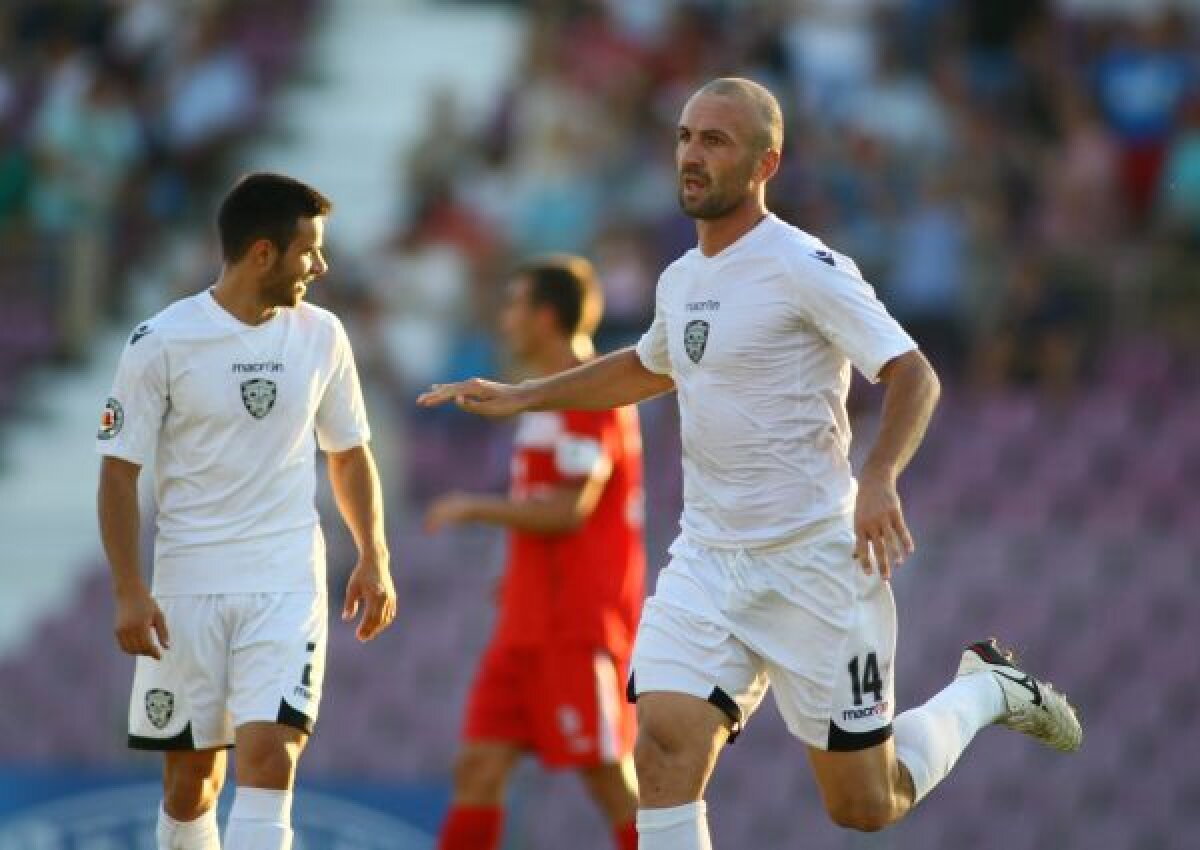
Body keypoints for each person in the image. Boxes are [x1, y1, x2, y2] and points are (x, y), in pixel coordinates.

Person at [419, 78, 1081, 849]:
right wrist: (524, 395)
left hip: (813, 560)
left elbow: (913, 374)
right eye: (684, 137)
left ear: (766, 164)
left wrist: (878, 477)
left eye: (715, 141)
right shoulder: (681, 279)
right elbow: (648, 366)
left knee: (865, 804)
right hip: (708, 560)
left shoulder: (803, 265)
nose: (691, 155)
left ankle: (985, 690)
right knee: (661, 748)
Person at [97, 173, 397, 850]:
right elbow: (118, 472)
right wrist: (128, 589)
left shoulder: (323, 335)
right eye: (309, 250)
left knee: (270, 756)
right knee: (191, 783)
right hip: (188, 585)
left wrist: (373, 554)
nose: (321, 266)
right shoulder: (161, 340)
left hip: (286, 580)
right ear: (263, 253)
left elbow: (349, 453)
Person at [426, 256, 643, 850]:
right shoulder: (542, 398)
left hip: (573, 626)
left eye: (515, 305)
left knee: (608, 778)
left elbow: (569, 510)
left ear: (545, 317)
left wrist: (473, 508)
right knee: (478, 769)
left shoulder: (592, 393)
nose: (506, 319)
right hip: (523, 623)